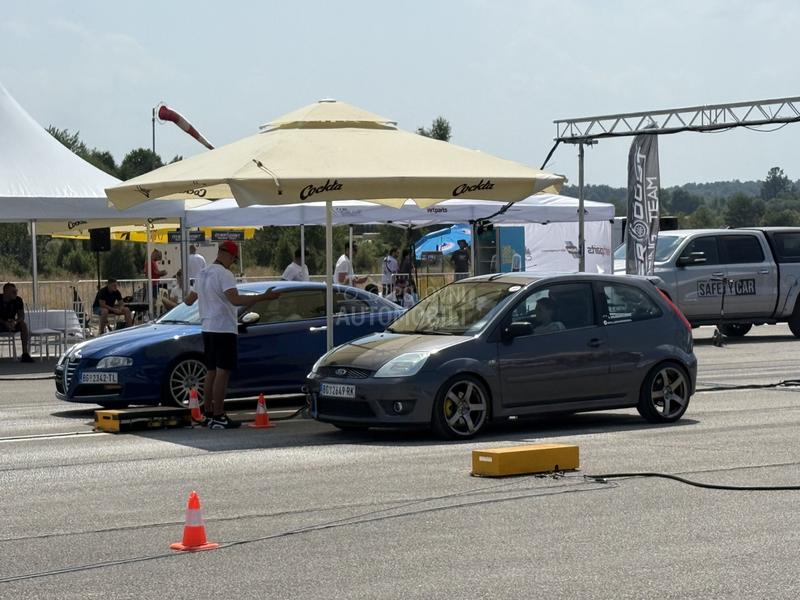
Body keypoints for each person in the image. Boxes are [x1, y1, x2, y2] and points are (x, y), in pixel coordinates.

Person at [184, 240, 280, 429]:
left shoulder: (202, 273)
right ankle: (219, 414)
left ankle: (208, 413)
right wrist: (263, 297)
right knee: (222, 373)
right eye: (234, 260)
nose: (233, 263)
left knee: (210, 372)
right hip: (223, 328)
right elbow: (235, 300)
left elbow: (188, 301)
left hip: (207, 327)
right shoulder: (225, 274)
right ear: (228, 255)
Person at [0, 283, 33, 363]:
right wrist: (5, 323)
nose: (16, 293)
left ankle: (25, 354)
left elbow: (21, 315)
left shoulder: (18, 300)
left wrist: (15, 322)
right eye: (13, 291)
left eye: (16, 291)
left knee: (23, 325)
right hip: (1, 323)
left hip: (12, 323)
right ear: (6, 292)